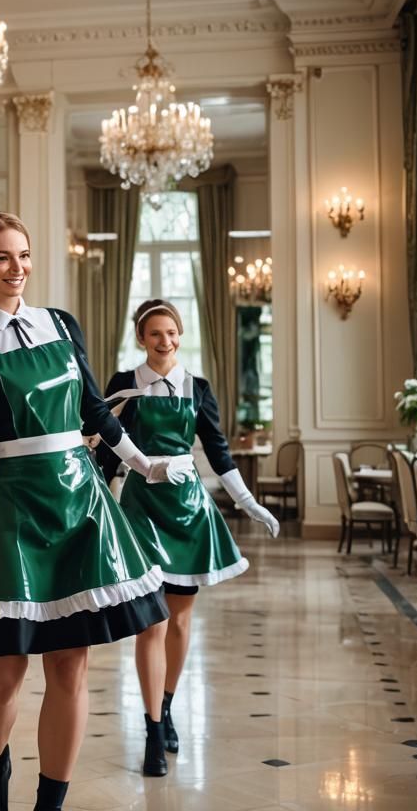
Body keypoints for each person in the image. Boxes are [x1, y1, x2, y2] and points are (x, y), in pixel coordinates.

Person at [0, 210, 180, 811]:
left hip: (80, 503)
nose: (17, 267)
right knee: (5, 672)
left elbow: (95, 414)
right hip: (14, 508)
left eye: (23, 254)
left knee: (70, 666)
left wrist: (146, 465)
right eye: (1, 257)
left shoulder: (61, 324)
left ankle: (50, 802)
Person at [96, 298, 280, 777]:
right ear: (141, 338)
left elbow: (218, 452)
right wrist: (86, 501)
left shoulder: (197, 388)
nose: (165, 341)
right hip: (141, 509)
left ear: (180, 335)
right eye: (155, 334)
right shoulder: (123, 385)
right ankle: (154, 729)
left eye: (172, 333)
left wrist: (247, 502)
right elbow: (109, 455)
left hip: (187, 511)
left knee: (178, 622)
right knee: (151, 624)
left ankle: (169, 703)